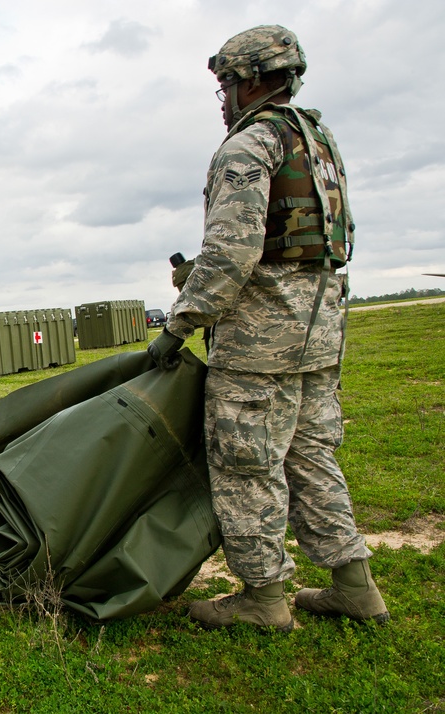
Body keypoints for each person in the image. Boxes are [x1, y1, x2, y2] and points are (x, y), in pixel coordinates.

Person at [147, 25, 388, 630]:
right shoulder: (318, 141)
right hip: (318, 337)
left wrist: (180, 324)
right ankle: (354, 586)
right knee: (312, 460)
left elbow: (234, 252)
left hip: (259, 345)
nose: (223, 96)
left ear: (252, 79)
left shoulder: (248, 145)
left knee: (247, 465)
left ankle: (263, 599)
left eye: (226, 82)